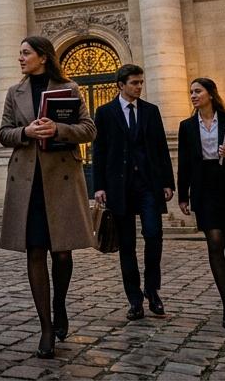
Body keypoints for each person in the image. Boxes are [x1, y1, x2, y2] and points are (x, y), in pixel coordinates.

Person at [0, 36, 96, 359]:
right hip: (28, 182)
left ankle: (59, 304)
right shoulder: (15, 93)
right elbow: (3, 133)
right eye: (20, 53)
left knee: (63, 254)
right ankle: (46, 327)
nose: (20, 58)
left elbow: (88, 129)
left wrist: (58, 130)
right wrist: (26, 133)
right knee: (35, 251)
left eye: (25, 53)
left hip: (62, 180)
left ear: (42, 56)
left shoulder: (69, 89)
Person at [91, 64, 175, 320]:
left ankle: (152, 289)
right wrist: (99, 186)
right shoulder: (105, 113)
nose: (139, 86)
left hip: (148, 184)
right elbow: (99, 151)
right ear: (121, 85)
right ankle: (134, 299)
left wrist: (167, 182)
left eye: (141, 82)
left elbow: (161, 148)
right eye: (135, 83)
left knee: (154, 234)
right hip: (119, 186)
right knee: (126, 244)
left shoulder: (151, 111)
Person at [177, 77, 225, 328]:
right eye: (191, 92)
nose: (193, 95)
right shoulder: (187, 126)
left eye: (197, 91)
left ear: (210, 94)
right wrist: (182, 195)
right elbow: (184, 163)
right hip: (204, 187)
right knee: (214, 242)